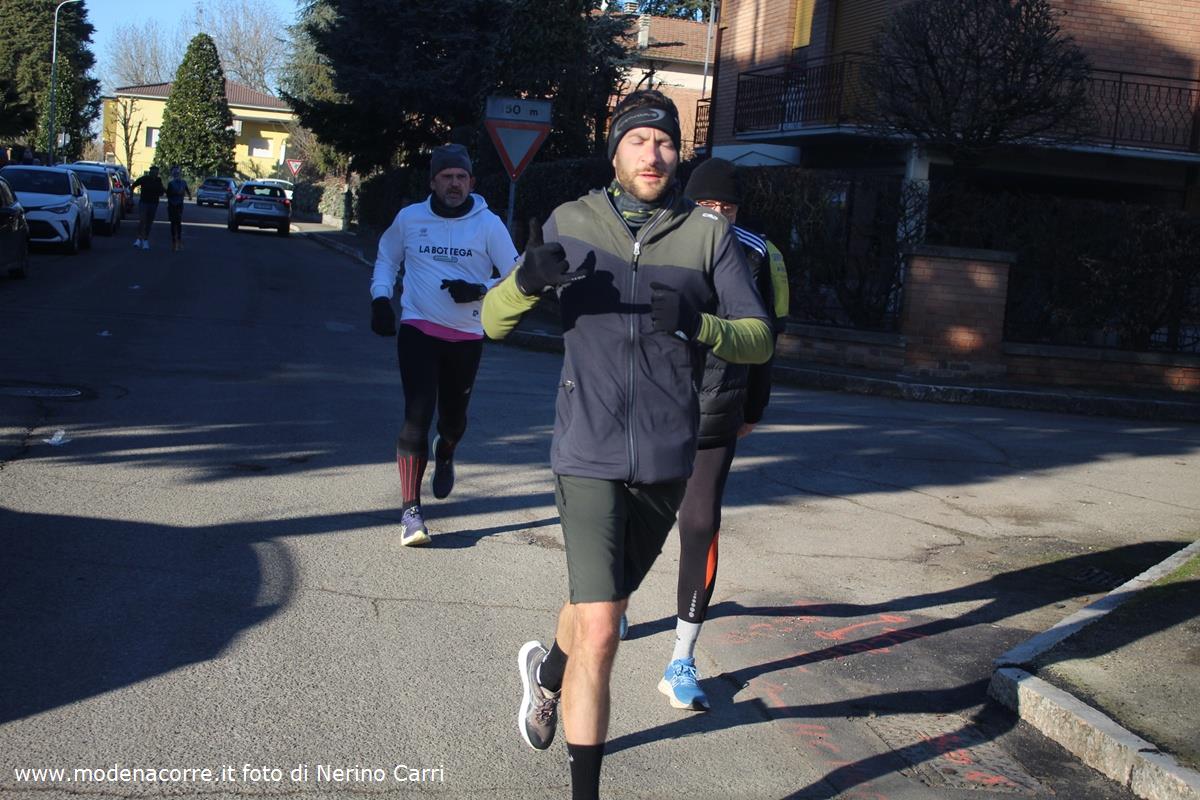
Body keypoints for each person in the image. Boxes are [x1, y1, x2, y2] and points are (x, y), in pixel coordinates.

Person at [482, 90, 774, 800]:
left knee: (598, 607)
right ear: (614, 151)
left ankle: (548, 673)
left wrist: (701, 325)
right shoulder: (571, 221)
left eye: (665, 142)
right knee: (606, 630)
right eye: (639, 140)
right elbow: (491, 321)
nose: (653, 153)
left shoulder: (707, 236)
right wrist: (526, 282)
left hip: (667, 459)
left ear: (679, 154)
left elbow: (759, 336)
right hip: (586, 449)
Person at [653, 157, 787, 712]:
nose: (717, 215)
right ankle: (614, 603)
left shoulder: (760, 254)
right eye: (707, 205)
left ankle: (681, 659)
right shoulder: (657, 239)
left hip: (717, 407)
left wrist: (754, 406)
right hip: (650, 410)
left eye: (726, 207)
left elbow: (769, 339)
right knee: (629, 518)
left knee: (700, 522)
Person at [369, 143, 518, 547]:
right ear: (433, 181)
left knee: (453, 420)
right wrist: (381, 297)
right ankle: (411, 513)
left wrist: (480, 288)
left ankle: (447, 449)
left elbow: (517, 273)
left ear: (471, 182)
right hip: (418, 327)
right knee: (416, 414)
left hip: (466, 336)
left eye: (461, 177)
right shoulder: (410, 218)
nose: (455, 184)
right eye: (447, 177)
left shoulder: (488, 225)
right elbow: (387, 258)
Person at [131, 165, 164, 250]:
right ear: (150, 172)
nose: (154, 173)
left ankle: (145, 239)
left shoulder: (158, 180)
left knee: (149, 222)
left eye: (156, 172)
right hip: (144, 202)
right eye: (153, 171)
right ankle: (138, 239)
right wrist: (131, 196)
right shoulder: (144, 179)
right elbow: (134, 185)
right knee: (142, 220)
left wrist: (162, 192)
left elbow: (162, 191)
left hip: (153, 203)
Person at [165, 166, 192, 251]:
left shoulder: (183, 182)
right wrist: (176, 193)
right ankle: (174, 241)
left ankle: (179, 240)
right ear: (172, 174)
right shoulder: (171, 183)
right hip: (172, 204)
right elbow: (168, 194)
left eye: (178, 173)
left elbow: (186, 189)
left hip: (179, 204)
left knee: (178, 222)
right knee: (173, 223)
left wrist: (189, 196)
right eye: (175, 173)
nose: (177, 174)